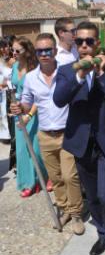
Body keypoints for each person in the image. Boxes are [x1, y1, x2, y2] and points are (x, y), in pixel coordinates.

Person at [53, 21, 105, 255]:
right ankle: (104, 234)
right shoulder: (66, 70)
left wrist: (101, 74)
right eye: (80, 42)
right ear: (75, 44)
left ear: (97, 44)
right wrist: (79, 75)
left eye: (90, 41)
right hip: (83, 144)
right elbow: (59, 99)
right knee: (93, 197)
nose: (84, 46)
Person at [15, 33, 85, 234]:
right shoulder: (30, 77)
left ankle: (77, 213)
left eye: (48, 50)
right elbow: (28, 101)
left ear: (55, 51)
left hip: (67, 133)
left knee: (70, 175)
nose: (44, 54)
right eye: (40, 51)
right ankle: (63, 209)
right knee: (55, 177)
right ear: (35, 53)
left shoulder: (66, 73)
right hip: (45, 134)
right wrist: (20, 107)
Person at [11, 37, 47, 198]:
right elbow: (13, 89)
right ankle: (28, 183)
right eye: (13, 49)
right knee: (21, 150)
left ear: (27, 51)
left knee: (35, 149)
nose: (14, 53)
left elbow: (38, 97)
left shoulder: (35, 70)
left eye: (18, 50)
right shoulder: (14, 66)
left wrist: (29, 115)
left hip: (32, 112)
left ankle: (42, 178)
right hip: (18, 112)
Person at [3, 35, 16, 172]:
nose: (6, 48)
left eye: (8, 46)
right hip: (3, 97)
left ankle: (15, 161)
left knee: (14, 129)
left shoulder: (15, 61)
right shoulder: (2, 61)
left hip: (12, 96)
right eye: (4, 46)